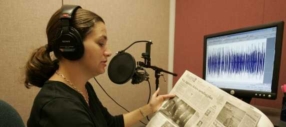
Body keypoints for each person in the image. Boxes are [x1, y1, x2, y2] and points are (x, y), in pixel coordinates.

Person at [24, 5, 174, 127]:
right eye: (100, 43)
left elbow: (109, 123)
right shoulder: (61, 109)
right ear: (70, 46)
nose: (108, 52)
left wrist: (150, 108)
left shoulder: (81, 87)